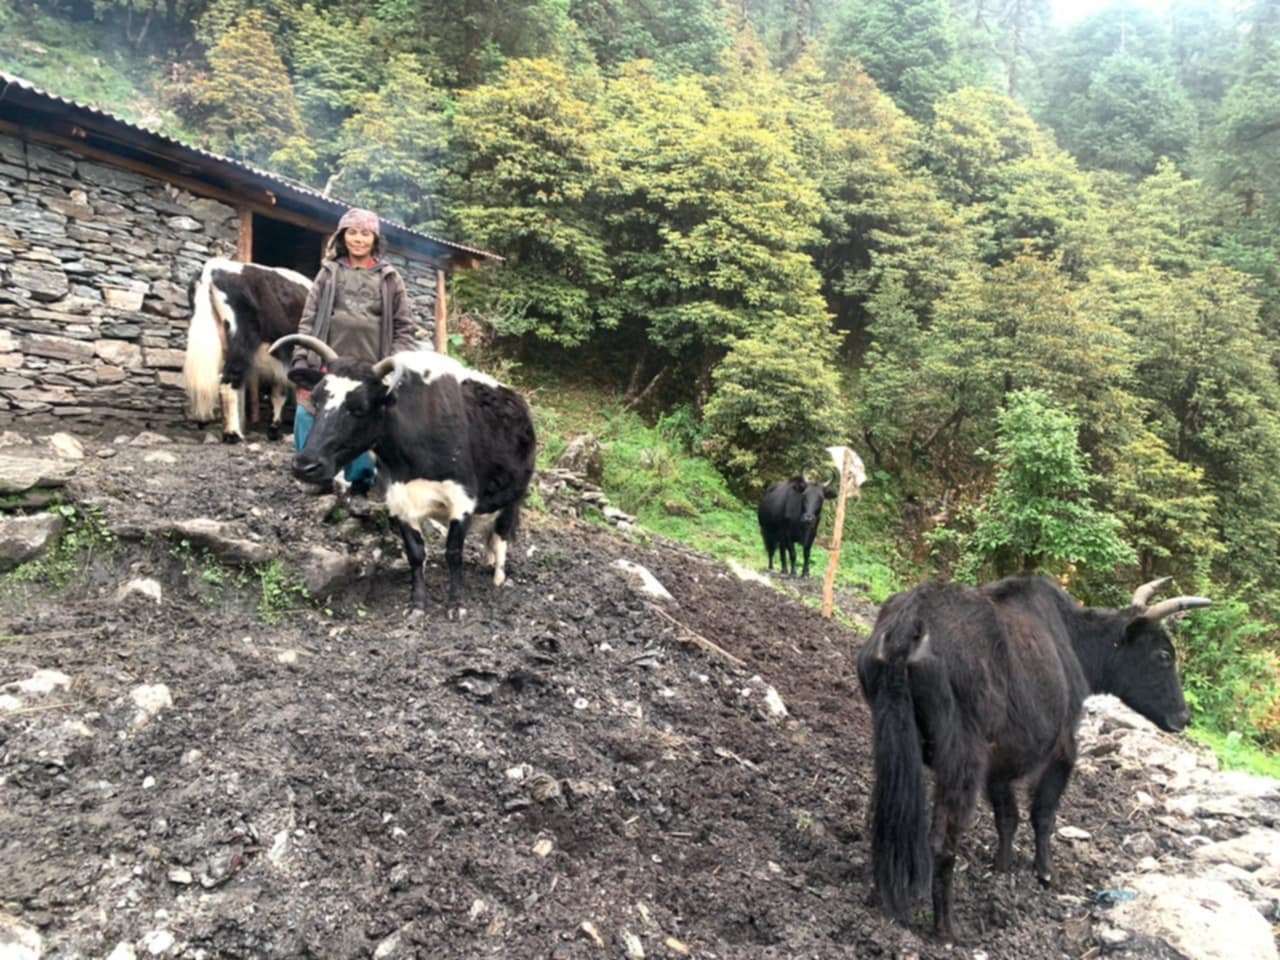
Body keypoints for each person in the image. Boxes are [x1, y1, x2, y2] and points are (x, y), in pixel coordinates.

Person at [288, 207, 418, 513]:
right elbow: (307, 321)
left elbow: (405, 327)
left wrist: (392, 364)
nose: (358, 239)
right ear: (342, 237)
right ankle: (315, 477)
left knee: (358, 424)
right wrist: (302, 358)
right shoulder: (328, 273)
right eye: (352, 233)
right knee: (308, 411)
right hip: (331, 364)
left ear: (375, 239)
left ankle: (360, 484)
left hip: (369, 368)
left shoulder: (389, 279)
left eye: (365, 234)